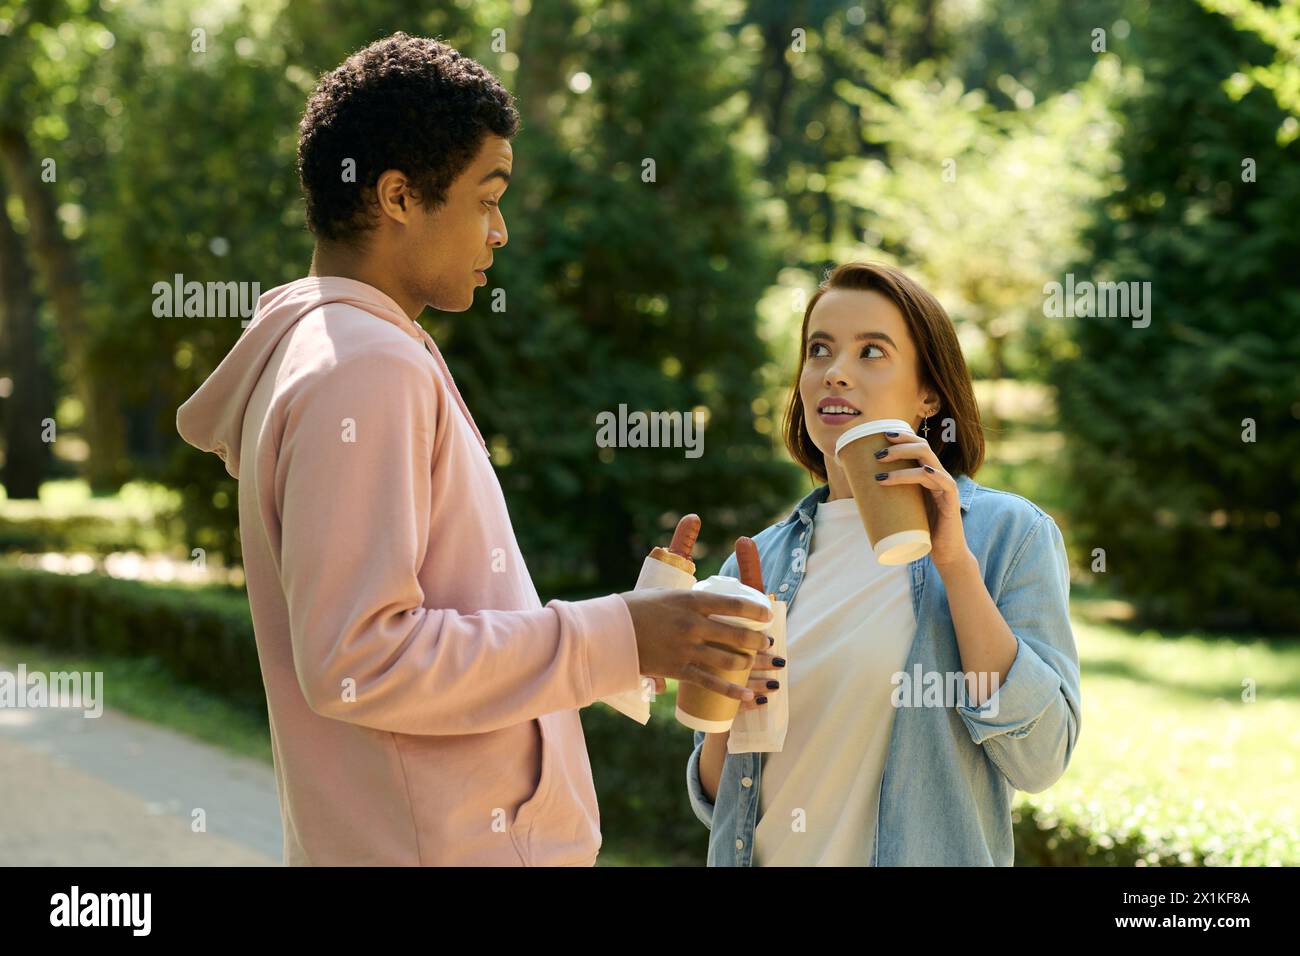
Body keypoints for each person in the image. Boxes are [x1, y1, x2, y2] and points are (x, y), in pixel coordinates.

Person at [176, 32, 769, 866]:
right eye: (487, 198)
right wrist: (619, 636)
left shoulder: (343, 348)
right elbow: (361, 658)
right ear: (398, 196)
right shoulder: (365, 366)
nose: (499, 233)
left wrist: (641, 638)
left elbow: (424, 621)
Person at [686, 261, 1082, 865]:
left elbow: (1041, 758)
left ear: (928, 393)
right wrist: (722, 703)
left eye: (872, 351)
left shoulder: (1009, 536)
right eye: (820, 350)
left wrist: (956, 565)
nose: (835, 373)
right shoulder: (755, 563)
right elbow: (720, 802)